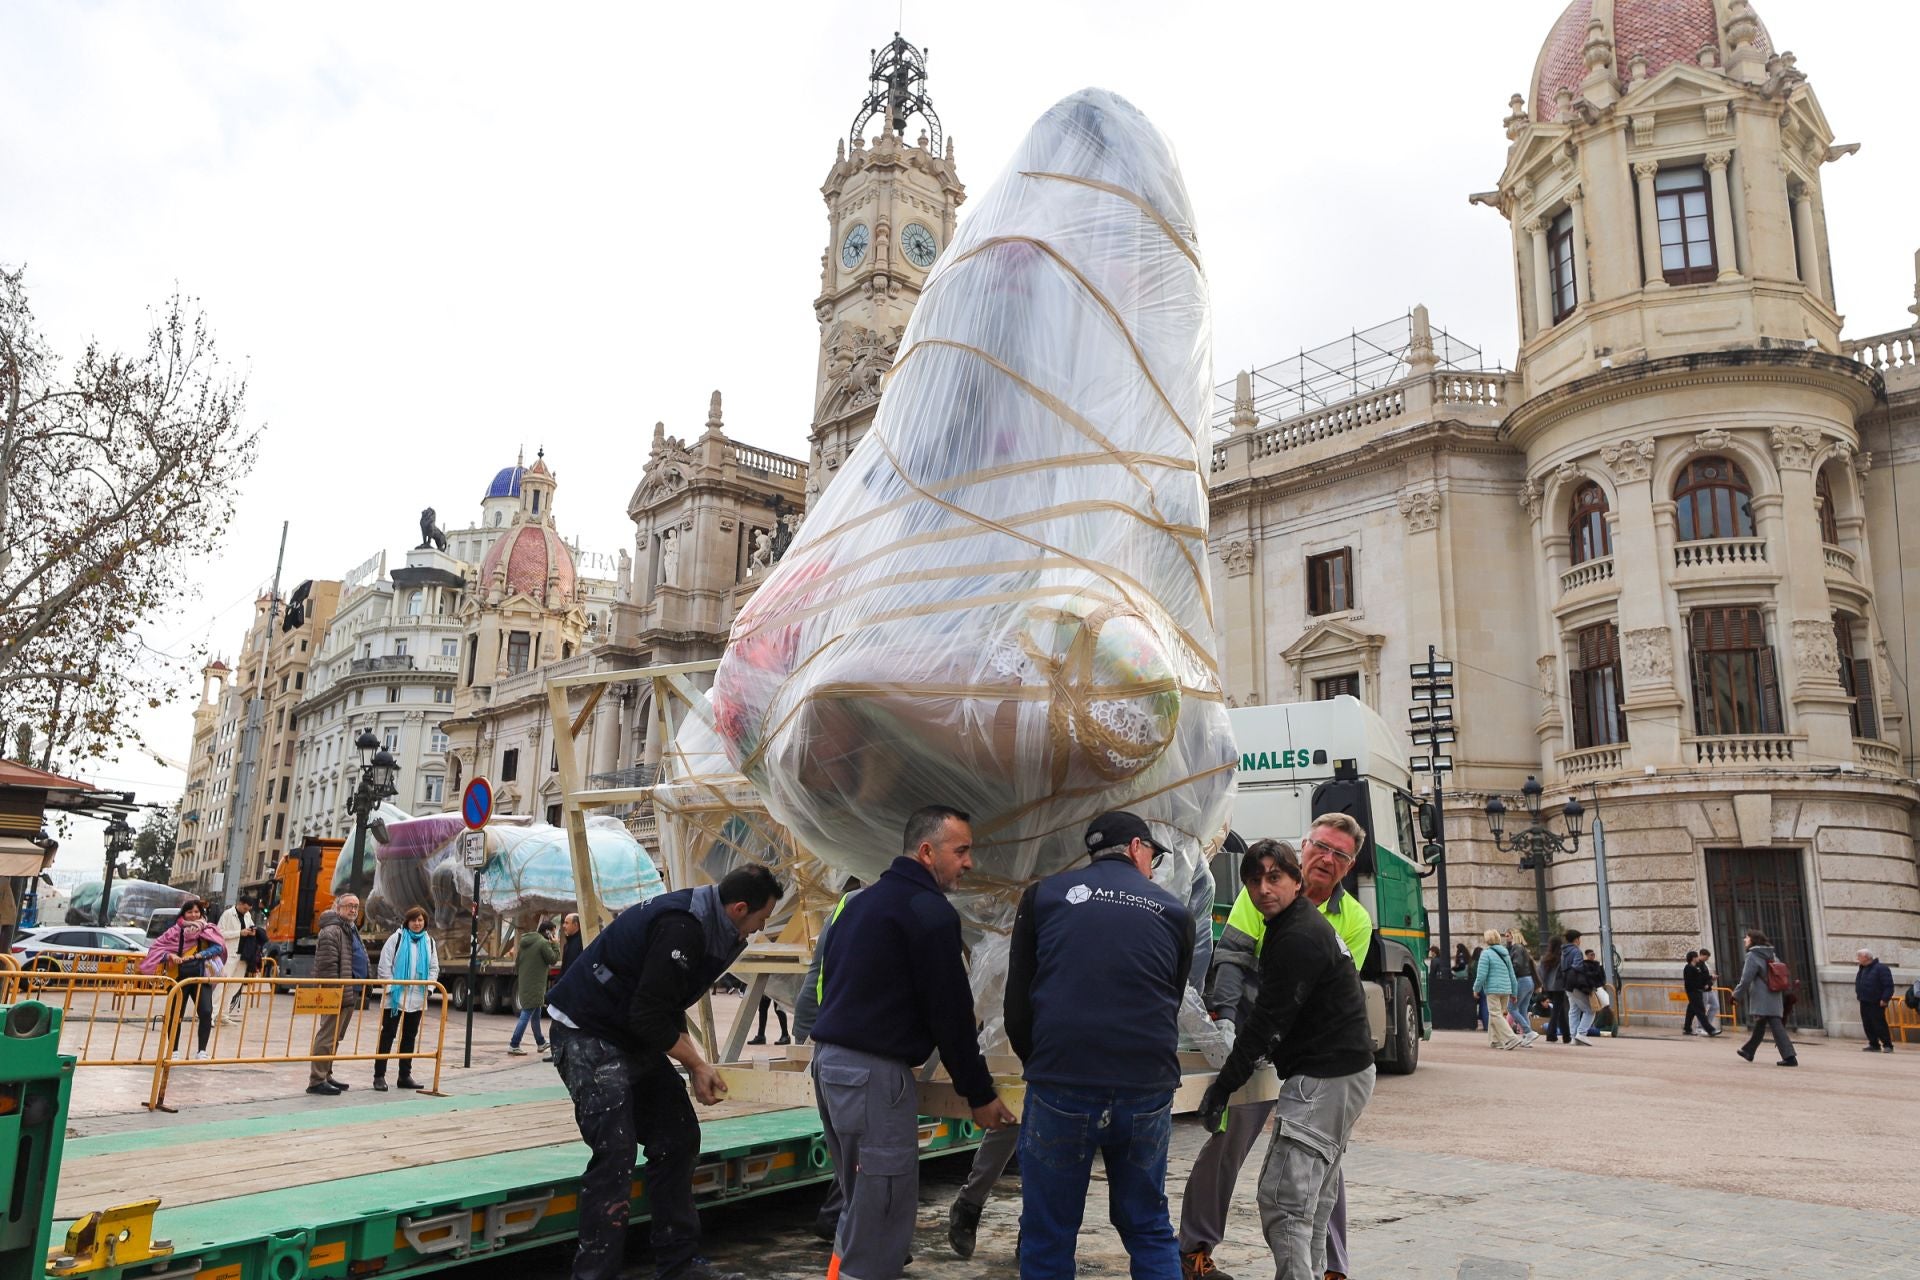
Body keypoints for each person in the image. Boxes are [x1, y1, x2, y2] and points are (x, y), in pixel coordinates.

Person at [544, 864, 782, 1280]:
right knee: (615, 1153)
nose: (756, 932)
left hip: (628, 1030)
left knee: (678, 1136)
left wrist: (694, 1063)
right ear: (740, 908)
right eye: (759, 921)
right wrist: (695, 1063)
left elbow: (660, 1007)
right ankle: (593, 1274)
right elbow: (648, 1015)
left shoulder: (707, 924)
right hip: (587, 1032)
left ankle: (679, 1263)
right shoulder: (682, 926)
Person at [809, 805, 1017, 1280]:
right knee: (882, 1214)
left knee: (860, 1207)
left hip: (831, 1068)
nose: (968, 863)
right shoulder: (929, 913)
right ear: (927, 852)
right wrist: (980, 1094)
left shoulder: (859, 904)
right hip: (872, 1076)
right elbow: (950, 1014)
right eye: (961, 851)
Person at [1179, 815, 1373, 1280]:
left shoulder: (1329, 927)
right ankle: (1194, 1251)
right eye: (1321, 846)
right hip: (1272, 1042)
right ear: (1304, 849)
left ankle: (1329, 1270)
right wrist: (1224, 1020)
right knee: (1239, 1144)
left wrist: (1224, 1083)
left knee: (1289, 1195)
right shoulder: (1278, 906)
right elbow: (1231, 960)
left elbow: (1284, 1009)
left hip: (1306, 1057)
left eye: (1340, 854)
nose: (1327, 858)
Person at [1003, 811, 1192, 1280]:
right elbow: (1167, 998)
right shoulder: (1174, 913)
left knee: (1049, 1231)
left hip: (1063, 1083)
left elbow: (1017, 1009)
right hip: (1146, 1087)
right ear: (1135, 848)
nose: (1154, 867)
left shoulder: (1044, 897)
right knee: (1148, 1224)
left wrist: (1048, 1066)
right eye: (1154, 856)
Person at [791, 877, 863, 1246]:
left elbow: (816, 971)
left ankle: (836, 1216)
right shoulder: (864, 905)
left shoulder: (850, 903)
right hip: (842, 1042)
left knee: (848, 1140)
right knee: (857, 1142)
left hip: (827, 1038)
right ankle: (841, 1221)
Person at [140, 898, 227, 1059]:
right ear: (184, 914)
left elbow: (219, 946)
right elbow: (156, 949)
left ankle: (202, 1051)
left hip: (202, 976)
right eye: (190, 912)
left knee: (206, 1012)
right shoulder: (173, 931)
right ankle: (173, 1050)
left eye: (196, 912)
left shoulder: (208, 929)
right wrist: (170, 956)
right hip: (178, 977)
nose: (193, 915)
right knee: (175, 1014)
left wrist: (201, 954)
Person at [306, 893, 369, 1095]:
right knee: (327, 1035)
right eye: (349, 905)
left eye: (356, 907)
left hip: (350, 990)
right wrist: (335, 992)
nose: (353, 910)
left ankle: (326, 1074)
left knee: (336, 1037)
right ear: (338, 907)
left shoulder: (349, 929)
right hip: (337, 991)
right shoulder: (331, 931)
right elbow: (327, 965)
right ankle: (316, 1079)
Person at [375, 905, 439, 1090]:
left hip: (417, 997)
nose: (417, 923)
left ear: (425, 922)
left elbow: (434, 967)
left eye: (420, 920)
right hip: (395, 997)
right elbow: (384, 965)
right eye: (414, 920)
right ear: (407, 922)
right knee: (388, 1035)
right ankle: (379, 1075)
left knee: (410, 1036)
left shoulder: (429, 942)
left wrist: (428, 989)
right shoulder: (397, 938)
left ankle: (404, 1075)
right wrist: (390, 987)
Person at [1731, 929, 1797, 1067]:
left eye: (1747, 937)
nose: (1744, 940)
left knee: (1775, 1025)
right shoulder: (1771, 954)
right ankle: (1748, 1051)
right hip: (1775, 994)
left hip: (1763, 996)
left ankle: (1790, 1056)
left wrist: (1735, 995)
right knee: (1761, 1023)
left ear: (1753, 940)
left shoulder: (1753, 955)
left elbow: (1746, 979)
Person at [509, 921, 559, 1057]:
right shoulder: (543, 943)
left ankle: (541, 1042)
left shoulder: (526, 942)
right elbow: (553, 959)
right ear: (547, 932)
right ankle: (514, 1044)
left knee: (536, 1013)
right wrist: (555, 944)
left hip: (526, 981)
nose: (554, 934)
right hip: (535, 983)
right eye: (553, 932)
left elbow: (518, 962)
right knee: (526, 1014)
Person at [216, 894, 267, 1023]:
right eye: (245, 908)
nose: (246, 911)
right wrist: (239, 933)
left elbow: (250, 928)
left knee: (235, 986)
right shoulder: (228, 914)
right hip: (230, 954)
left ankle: (224, 1014)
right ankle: (212, 1015)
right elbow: (220, 933)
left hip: (243, 956)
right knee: (221, 985)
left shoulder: (248, 916)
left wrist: (252, 931)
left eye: (248, 909)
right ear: (240, 904)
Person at [1472, 928, 1526, 1050]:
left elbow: (1481, 975)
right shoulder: (1505, 953)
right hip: (1506, 989)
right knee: (1496, 1014)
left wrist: (1476, 989)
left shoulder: (1486, 954)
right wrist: (1514, 992)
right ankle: (1495, 1041)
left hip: (1493, 989)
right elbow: (1512, 974)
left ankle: (1510, 1038)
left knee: (1495, 1014)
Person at [1560, 930, 1597, 1045]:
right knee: (1590, 1010)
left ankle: (1573, 1036)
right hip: (1576, 985)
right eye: (1579, 939)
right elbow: (1577, 968)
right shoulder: (1576, 951)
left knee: (1574, 1010)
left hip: (1567, 984)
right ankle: (1581, 1033)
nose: (1580, 941)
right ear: (1576, 939)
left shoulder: (1563, 951)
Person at [1856, 948, 1895, 1052]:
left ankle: (1887, 1045)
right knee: (1867, 1024)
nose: (1857, 959)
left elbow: (1888, 986)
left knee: (1879, 1023)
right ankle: (1874, 1044)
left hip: (1877, 1002)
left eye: (1859, 956)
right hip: (1864, 1001)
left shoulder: (1881, 968)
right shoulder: (1862, 969)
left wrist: (1885, 998)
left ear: (1866, 957)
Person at [1538, 934, 1570, 1044]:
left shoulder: (1546, 958)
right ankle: (1551, 1034)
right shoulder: (1562, 957)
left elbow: (1541, 972)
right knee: (1557, 1010)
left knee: (1560, 1010)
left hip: (1549, 987)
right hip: (1559, 987)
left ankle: (1566, 1035)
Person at [1505, 930, 1536, 1039]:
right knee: (1523, 1009)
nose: (1506, 938)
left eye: (1508, 935)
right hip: (1528, 981)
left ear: (1514, 936)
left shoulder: (1516, 948)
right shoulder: (1522, 948)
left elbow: (1516, 965)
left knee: (1511, 1008)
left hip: (1521, 980)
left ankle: (1528, 1032)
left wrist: (1508, 975)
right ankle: (1527, 1038)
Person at [1681, 950, 1713, 1036]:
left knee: (1691, 1011)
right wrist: (1701, 986)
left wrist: (1708, 981)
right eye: (1696, 957)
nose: (1697, 958)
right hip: (1693, 992)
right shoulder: (1688, 968)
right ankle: (1710, 1030)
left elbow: (1701, 978)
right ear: (1693, 958)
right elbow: (1690, 982)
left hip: (1697, 991)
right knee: (1700, 1011)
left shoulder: (1695, 968)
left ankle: (1687, 1028)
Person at [1699, 948, 1721, 1029]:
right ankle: (1701, 1027)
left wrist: (1711, 980)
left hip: (1708, 989)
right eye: (1706, 957)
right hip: (1703, 990)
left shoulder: (1704, 964)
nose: (1707, 959)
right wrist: (1711, 977)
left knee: (1715, 1006)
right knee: (1702, 1009)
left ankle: (1707, 1025)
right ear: (1701, 955)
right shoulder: (1699, 965)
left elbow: (1705, 977)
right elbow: (1701, 977)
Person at [557, 912, 583, 980]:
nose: (563, 926)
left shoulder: (582, 943)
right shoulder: (569, 943)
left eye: (566, 923)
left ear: (575, 925)